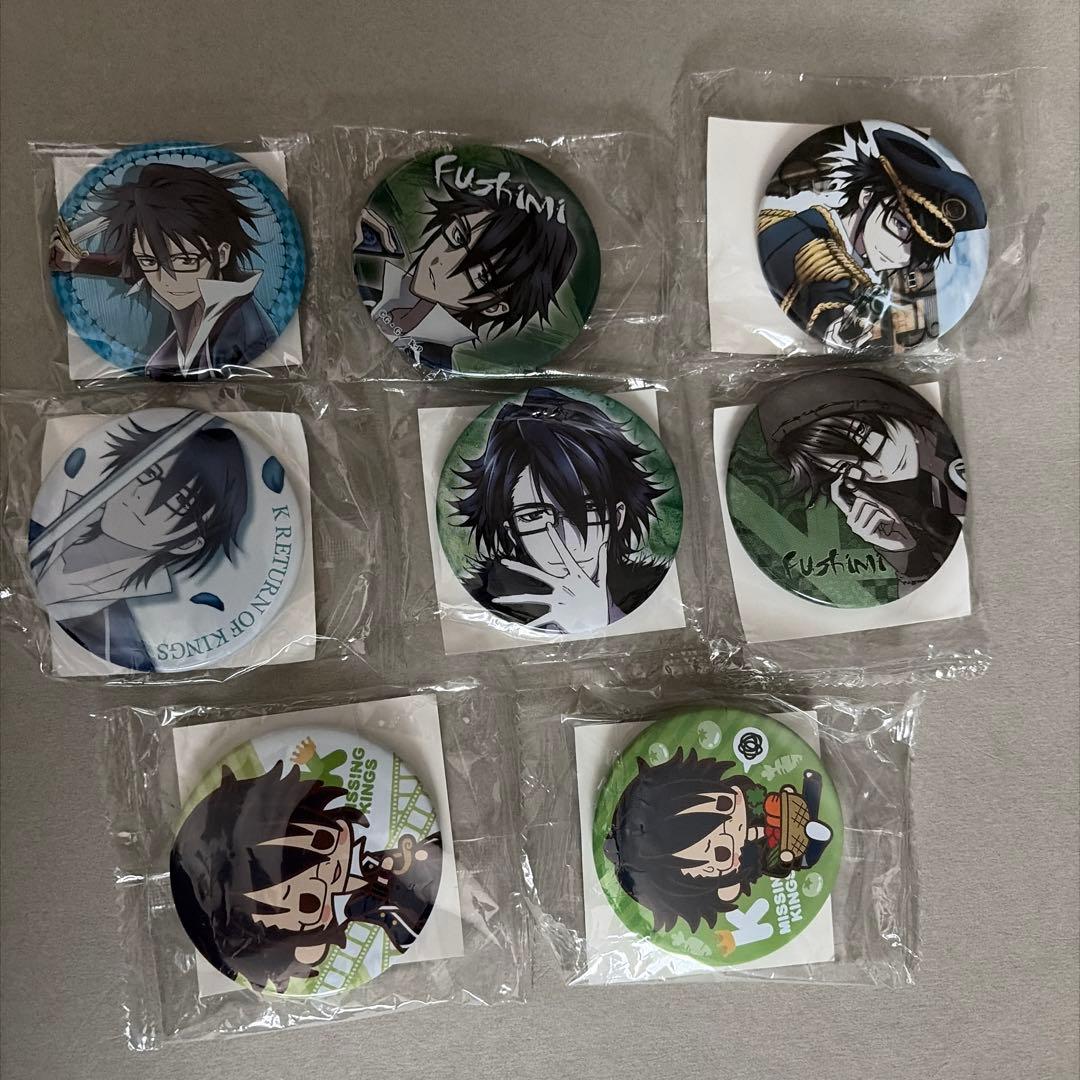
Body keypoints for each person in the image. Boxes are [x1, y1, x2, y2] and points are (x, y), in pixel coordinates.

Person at [170, 761, 443, 993]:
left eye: (323, 841)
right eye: (309, 902)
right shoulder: (380, 917)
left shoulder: (402, 854)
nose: (333, 874)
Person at [29, 414, 249, 670]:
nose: (142, 496)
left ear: (187, 544)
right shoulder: (42, 526)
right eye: (149, 473)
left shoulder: (122, 640)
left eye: (179, 502)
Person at [449, 388, 671, 633]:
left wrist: (601, 615)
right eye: (533, 516)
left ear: (617, 516)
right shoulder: (493, 602)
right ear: (512, 531)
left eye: (587, 509)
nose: (566, 542)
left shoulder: (643, 592)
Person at [757, 125, 987, 349]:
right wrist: (834, 323)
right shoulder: (797, 232)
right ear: (866, 197)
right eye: (900, 224)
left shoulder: (866, 272)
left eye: (917, 248)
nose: (902, 254)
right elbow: (818, 271)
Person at [50, 163, 276, 378]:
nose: (166, 280)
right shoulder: (190, 295)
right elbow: (135, 267)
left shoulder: (249, 336)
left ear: (222, 254)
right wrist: (76, 263)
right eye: (148, 261)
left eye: (185, 260)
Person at [757, 369, 966, 595]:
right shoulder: (893, 511)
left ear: (885, 408)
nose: (876, 470)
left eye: (865, 439)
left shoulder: (960, 434)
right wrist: (903, 554)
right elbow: (933, 596)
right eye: (846, 468)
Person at [354, 178, 578, 373]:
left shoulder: (434, 358)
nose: (441, 261)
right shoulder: (367, 289)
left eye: (480, 274)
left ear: (493, 306)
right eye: (458, 236)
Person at [603, 748, 832, 934]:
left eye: (724, 804)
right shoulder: (747, 866)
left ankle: (811, 799)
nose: (735, 831)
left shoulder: (754, 812)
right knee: (797, 858)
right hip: (786, 854)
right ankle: (813, 844)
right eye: (721, 852)